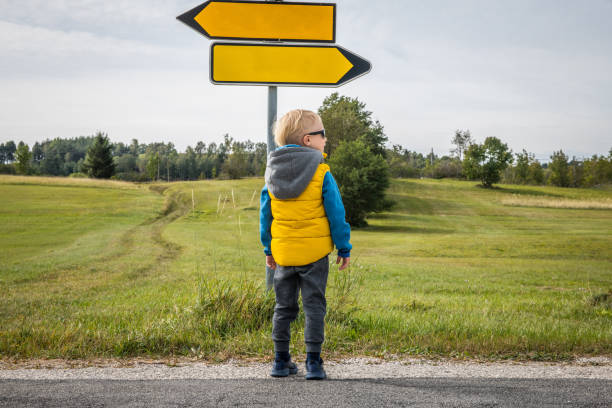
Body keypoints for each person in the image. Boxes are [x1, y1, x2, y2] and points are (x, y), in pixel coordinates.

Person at [260, 109, 352, 380]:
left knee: (283, 307)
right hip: (314, 255)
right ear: (308, 140)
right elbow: (336, 213)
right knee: (314, 306)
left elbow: (266, 215)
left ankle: (280, 361)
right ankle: (313, 362)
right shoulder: (322, 172)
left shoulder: (271, 174)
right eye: (322, 134)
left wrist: (269, 248)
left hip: (284, 254)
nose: (326, 139)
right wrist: (343, 246)